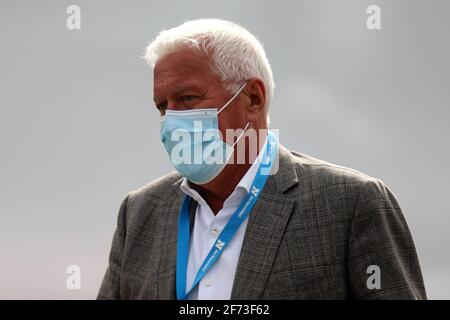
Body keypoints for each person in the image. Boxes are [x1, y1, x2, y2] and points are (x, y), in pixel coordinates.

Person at [97, 19, 426, 300]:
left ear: (253, 97)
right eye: (162, 106)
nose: (171, 120)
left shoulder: (350, 202)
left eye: (187, 98)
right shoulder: (140, 212)